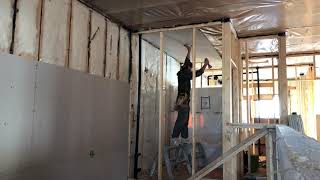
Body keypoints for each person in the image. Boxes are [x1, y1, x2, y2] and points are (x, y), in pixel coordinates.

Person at [171, 45, 210, 145]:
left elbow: (187, 61)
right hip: (183, 99)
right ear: (187, 68)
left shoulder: (184, 72)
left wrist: (189, 51)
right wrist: (205, 65)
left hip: (185, 100)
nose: (191, 70)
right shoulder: (184, 74)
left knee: (185, 121)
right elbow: (197, 73)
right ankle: (175, 137)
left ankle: (184, 138)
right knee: (182, 120)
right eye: (190, 68)